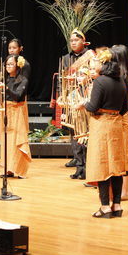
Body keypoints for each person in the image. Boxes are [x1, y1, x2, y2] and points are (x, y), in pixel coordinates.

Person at [77, 49, 128, 218]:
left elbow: (93, 107)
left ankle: (105, 207)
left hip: (102, 126)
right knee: (116, 166)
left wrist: (83, 104)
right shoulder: (122, 80)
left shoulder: (100, 81)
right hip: (116, 125)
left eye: (95, 63)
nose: (93, 65)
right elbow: (124, 108)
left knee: (102, 165)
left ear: (103, 63)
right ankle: (117, 205)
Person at [55, 29, 95, 180]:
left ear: (83, 41)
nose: (73, 43)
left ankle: (89, 167)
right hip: (72, 98)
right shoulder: (66, 58)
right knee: (74, 132)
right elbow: (61, 79)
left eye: (76, 40)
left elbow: (95, 74)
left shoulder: (91, 56)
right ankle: (79, 166)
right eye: (71, 40)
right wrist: (61, 95)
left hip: (86, 96)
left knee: (86, 132)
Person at [0, 54, 32, 178]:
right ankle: (9, 169)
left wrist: (5, 88)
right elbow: (5, 96)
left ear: (17, 65)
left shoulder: (23, 80)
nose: (8, 66)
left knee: (18, 140)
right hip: (6, 112)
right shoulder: (5, 79)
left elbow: (17, 96)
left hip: (17, 112)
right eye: (7, 64)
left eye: (11, 64)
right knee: (7, 141)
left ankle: (21, 170)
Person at [110, 44, 128, 200]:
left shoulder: (122, 78)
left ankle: (124, 191)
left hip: (120, 117)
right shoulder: (122, 76)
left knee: (124, 154)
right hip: (118, 117)